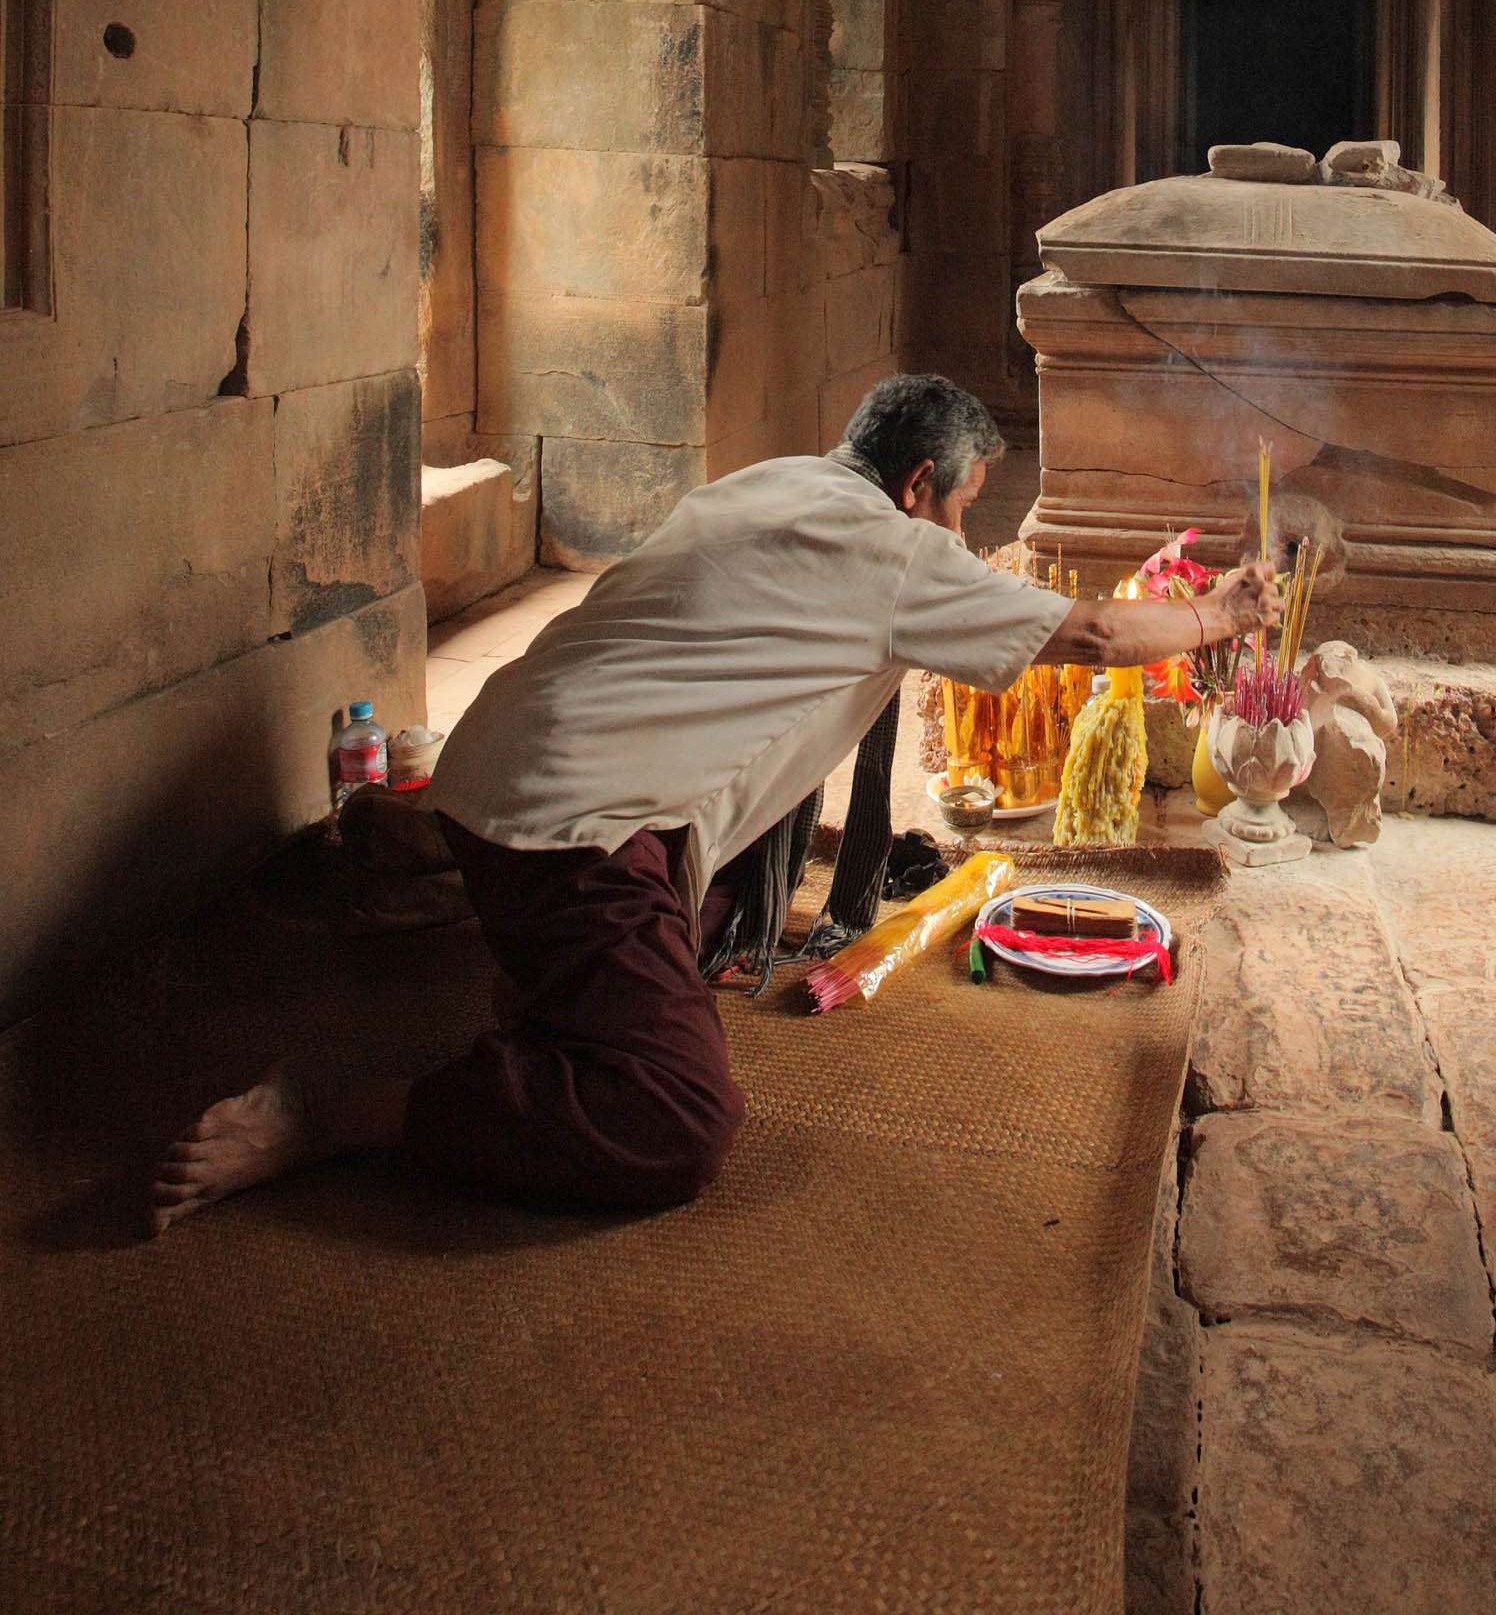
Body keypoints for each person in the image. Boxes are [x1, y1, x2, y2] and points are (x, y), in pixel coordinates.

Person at [151, 373, 1279, 1232]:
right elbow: (1087, 634)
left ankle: (552, 987)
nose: (962, 544)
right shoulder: (892, 549)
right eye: (960, 511)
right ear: (916, 486)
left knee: (710, 915)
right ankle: (337, 1115)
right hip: (570, 829)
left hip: (494, 775)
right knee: (676, 1119)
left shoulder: (768, 482)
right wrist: (1220, 614)